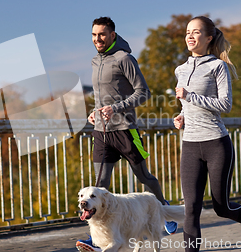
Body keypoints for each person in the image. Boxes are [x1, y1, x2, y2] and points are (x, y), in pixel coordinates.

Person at [76, 17, 178, 252]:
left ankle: (164, 209)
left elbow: (144, 93)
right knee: (99, 186)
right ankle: (96, 237)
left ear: (112, 35)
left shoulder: (125, 59)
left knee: (144, 177)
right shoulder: (95, 61)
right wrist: (95, 112)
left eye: (101, 34)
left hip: (126, 130)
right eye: (93, 35)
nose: (97, 39)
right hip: (102, 132)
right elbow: (102, 97)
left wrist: (116, 108)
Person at [174, 16, 241, 251]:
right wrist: (183, 115)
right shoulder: (180, 70)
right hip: (190, 144)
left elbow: (225, 105)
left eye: (196, 32)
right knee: (191, 207)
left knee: (221, 206)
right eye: (187, 32)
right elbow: (187, 106)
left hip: (216, 143)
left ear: (209, 38)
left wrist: (189, 96)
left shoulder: (217, 67)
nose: (190, 36)